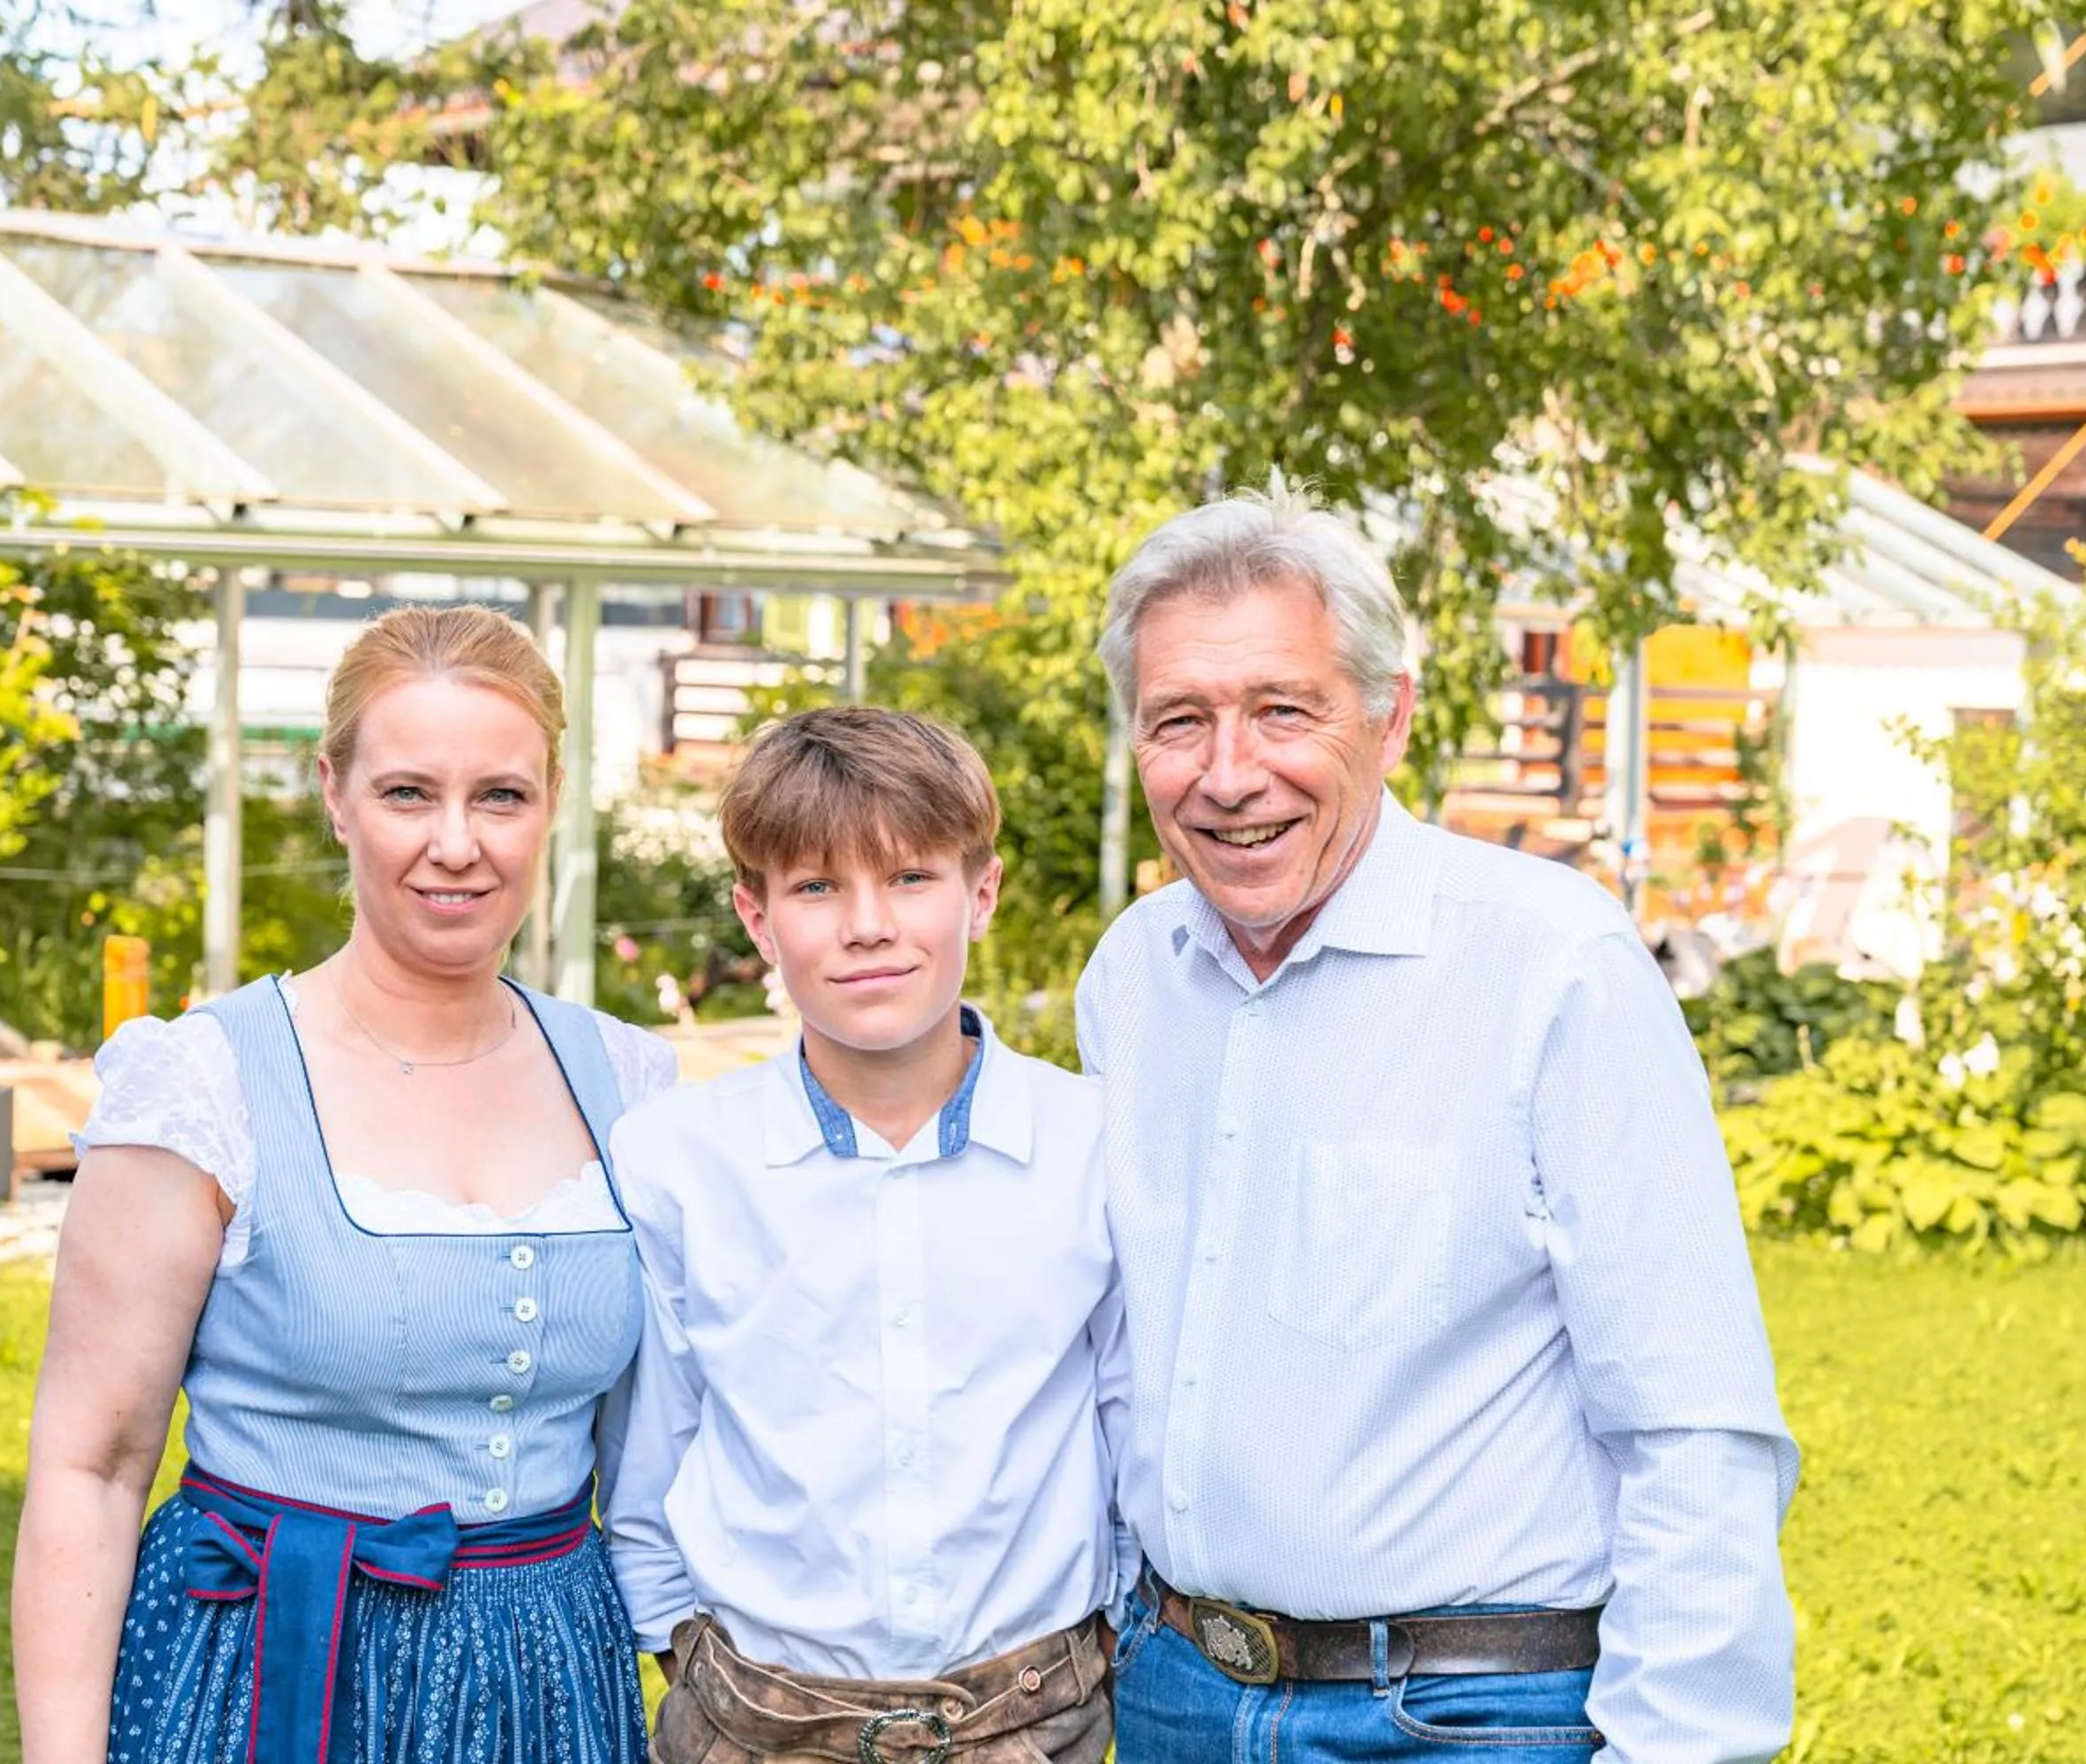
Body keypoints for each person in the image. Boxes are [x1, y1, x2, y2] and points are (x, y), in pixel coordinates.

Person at [1076, 484, 1799, 1763]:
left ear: (1389, 714)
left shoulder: (1552, 967)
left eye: (1282, 711)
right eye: (1178, 722)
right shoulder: (1132, 977)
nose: (1230, 775)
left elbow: (1694, 1421)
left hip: (1463, 1718)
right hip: (1174, 1689)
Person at [12, 604, 674, 1764]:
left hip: (555, 1680)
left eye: (501, 797)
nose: (457, 843)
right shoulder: (206, 1084)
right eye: (408, 793)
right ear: (334, 793)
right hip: (270, 1667)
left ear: (552, 803)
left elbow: (657, 1449)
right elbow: (94, 1466)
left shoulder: (627, 1078)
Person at [605, 706, 1133, 1764]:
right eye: (815, 887)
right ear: (757, 919)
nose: (867, 924)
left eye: (909, 878)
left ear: (980, 891)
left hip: (1034, 1715)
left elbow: (1126, 1421)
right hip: (753, 1719)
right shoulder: (677, 1157)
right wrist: (678, 1642)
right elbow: (649, 1446)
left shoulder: (1095, 1142)